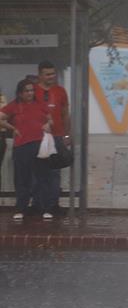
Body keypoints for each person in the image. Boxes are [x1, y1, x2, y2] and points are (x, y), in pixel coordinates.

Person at [0, 79, 52, 220]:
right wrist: (13, 129)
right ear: (20, 93)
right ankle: (21, 208)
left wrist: (48, 124)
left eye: (32, 90)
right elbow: (1, 118)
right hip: (21, 145)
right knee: (22, 179)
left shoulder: (40, 104)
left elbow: (50, 118)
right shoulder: (14, 106)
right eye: (27, 91)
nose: (30, 93)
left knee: (42, 177)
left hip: (39, 145)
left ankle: (44, 208)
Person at [33, 61, 69, 218]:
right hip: (36, 137)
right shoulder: (32, 90)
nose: (51, 77)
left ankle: (53, 204)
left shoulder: (60, 91)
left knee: (55, 172)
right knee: (37, 171)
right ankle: (37, 204)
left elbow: (65, 114)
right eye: (47, 74)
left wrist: (67, 134)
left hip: (57, 135)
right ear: (40, 74)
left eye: (53, 73)